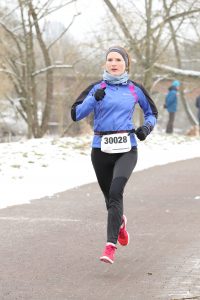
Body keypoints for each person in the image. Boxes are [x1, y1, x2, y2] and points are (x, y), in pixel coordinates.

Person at [71, 46, 158, 264]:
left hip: (126, 148)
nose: (113, 63)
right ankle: (119, 223)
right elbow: (75, 114)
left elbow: (152, 113)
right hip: (100, 149)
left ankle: (110, 247)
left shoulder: (134, 89)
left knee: (116, 191)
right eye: (109, 59)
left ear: (125, 64)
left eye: (118, 59)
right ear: (105, 64)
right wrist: (93, 99)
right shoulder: (96, 88)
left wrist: (146, 128)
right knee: (111, 200)